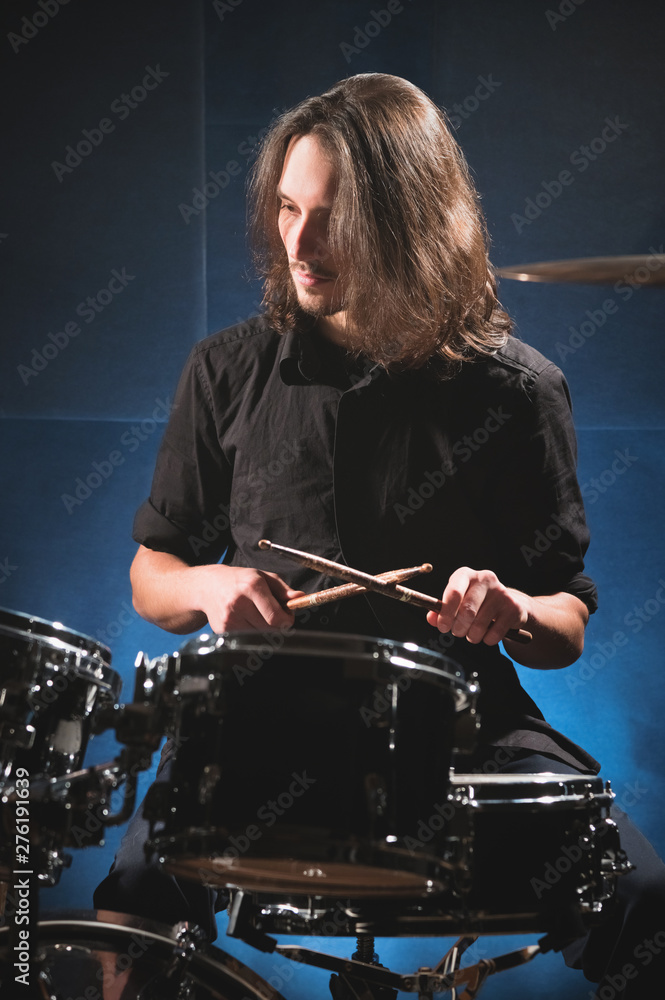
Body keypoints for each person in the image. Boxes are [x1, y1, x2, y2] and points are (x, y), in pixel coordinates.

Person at [95, 73, 665, 998]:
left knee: (641, 899)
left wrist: (513, 607)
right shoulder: (226, 372)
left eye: (333, 218)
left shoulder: (515, 393)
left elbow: (566, 624)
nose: (298, 244)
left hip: (458, 732)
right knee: (129, 903)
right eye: (286, 207)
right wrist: (207, 588)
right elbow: (151, 572)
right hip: (259, 728)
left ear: (408, 225)